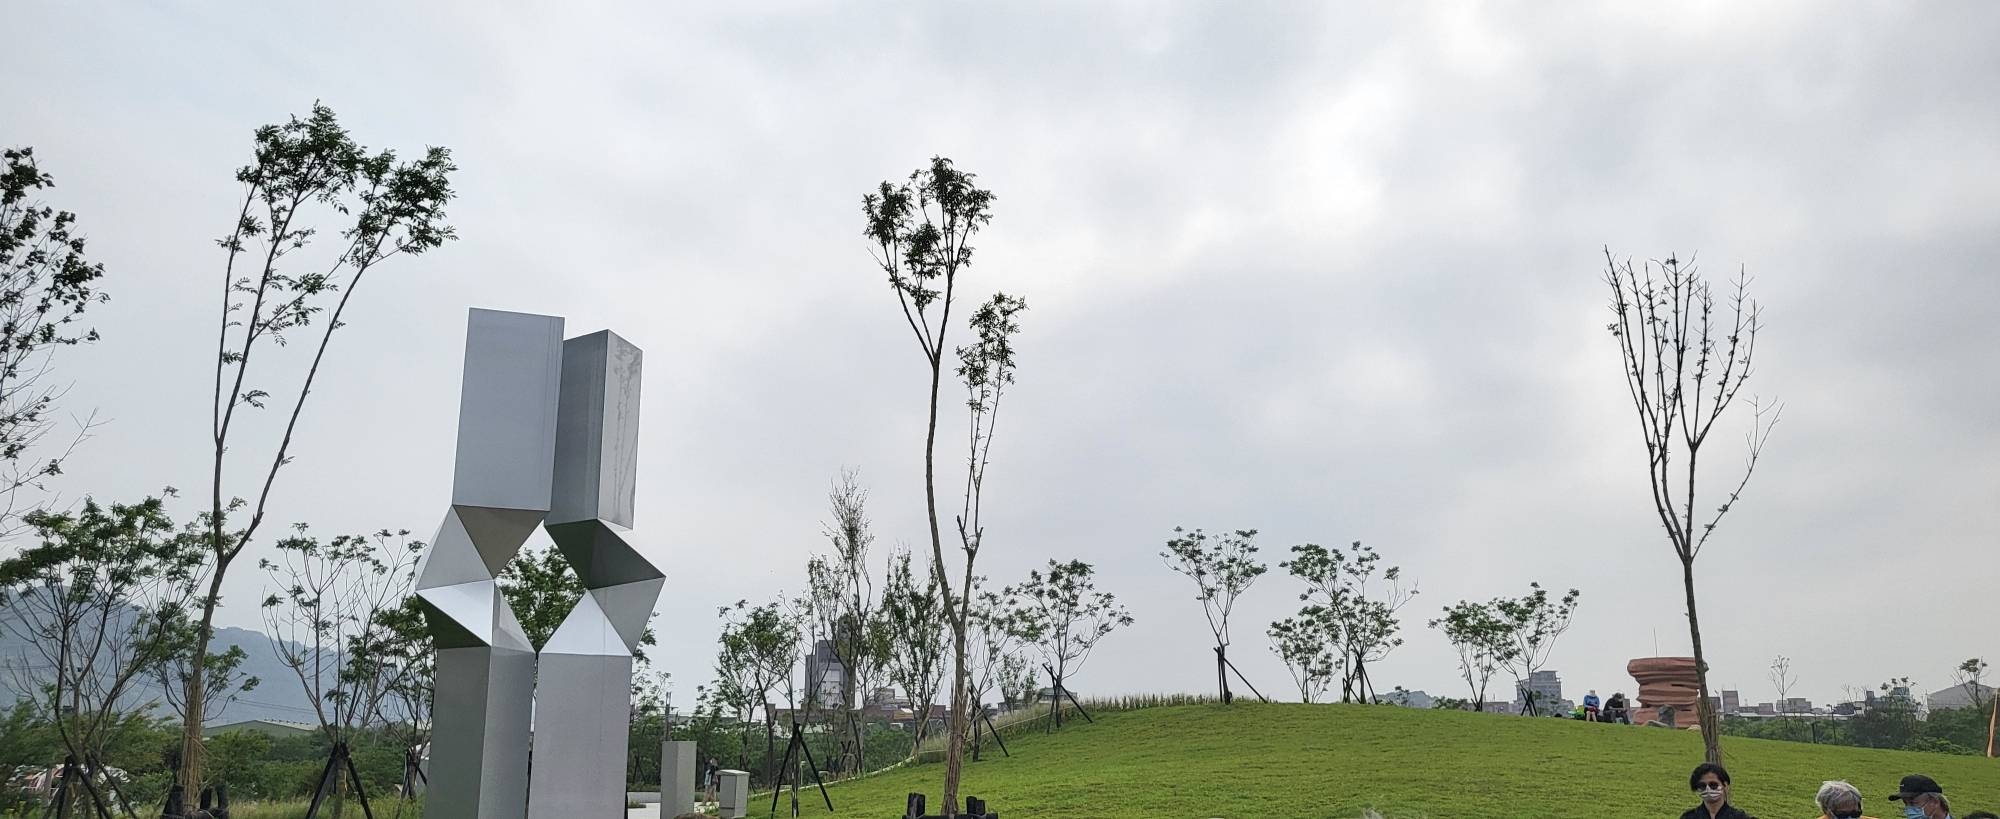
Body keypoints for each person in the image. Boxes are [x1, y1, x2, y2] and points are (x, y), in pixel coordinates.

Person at [1681, 762, 1756, 819]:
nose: (1708, 789)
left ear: (1725, 785)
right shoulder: (1689, 817)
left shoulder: (1739, 817)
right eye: (1702, 786)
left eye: (1713, 785)